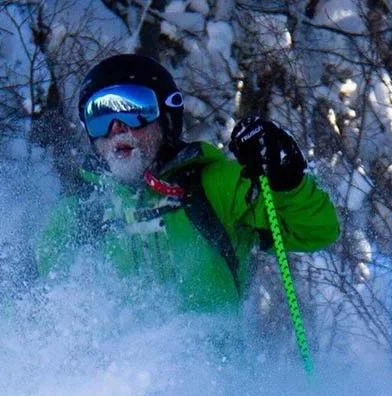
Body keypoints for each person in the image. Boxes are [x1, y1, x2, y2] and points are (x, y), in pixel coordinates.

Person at [35, 54, 340, 316]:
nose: (117, 128)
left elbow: (317, 230)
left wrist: (286, 180)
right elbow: (39, 305)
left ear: (166, 118)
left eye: (134, 110)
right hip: (114, 382)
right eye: (99, 116)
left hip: (216, 380)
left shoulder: (213, 186)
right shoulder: (80, 214)